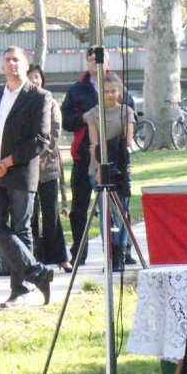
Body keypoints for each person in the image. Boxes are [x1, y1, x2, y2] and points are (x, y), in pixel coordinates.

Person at [0, 46, 55, 307]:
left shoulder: (39, 97)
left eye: (17, 60)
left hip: (20, 172)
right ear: (2, 66)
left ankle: (21, 290)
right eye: (8, 60)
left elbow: (40, 139)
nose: (12, 64)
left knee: (22, 228)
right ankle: (37, 272)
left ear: (26, 65)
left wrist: (6, 162)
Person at [83, 73, 135, 271]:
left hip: (120, 168)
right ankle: (109, 256)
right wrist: (99, 169)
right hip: (99, 167)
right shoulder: (93, 114)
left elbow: (127, 141)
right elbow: (94, 145)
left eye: (113, 91)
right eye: (105, 91)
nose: (110, 95)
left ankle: (121, 253)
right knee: (106, 215)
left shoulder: (126, 112)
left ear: (119, 91)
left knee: (121, 213)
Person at [26, 65, 71, 272]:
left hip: (47, 167)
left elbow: (54, 133)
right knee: (30, 215)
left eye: (37, 77)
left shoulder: (50, 102)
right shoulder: (21, 103)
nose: (34, 80)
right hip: (25, 167)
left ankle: (60, 257)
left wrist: (40, 155)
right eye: (30, 77)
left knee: (51, 213)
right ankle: (33, 260)